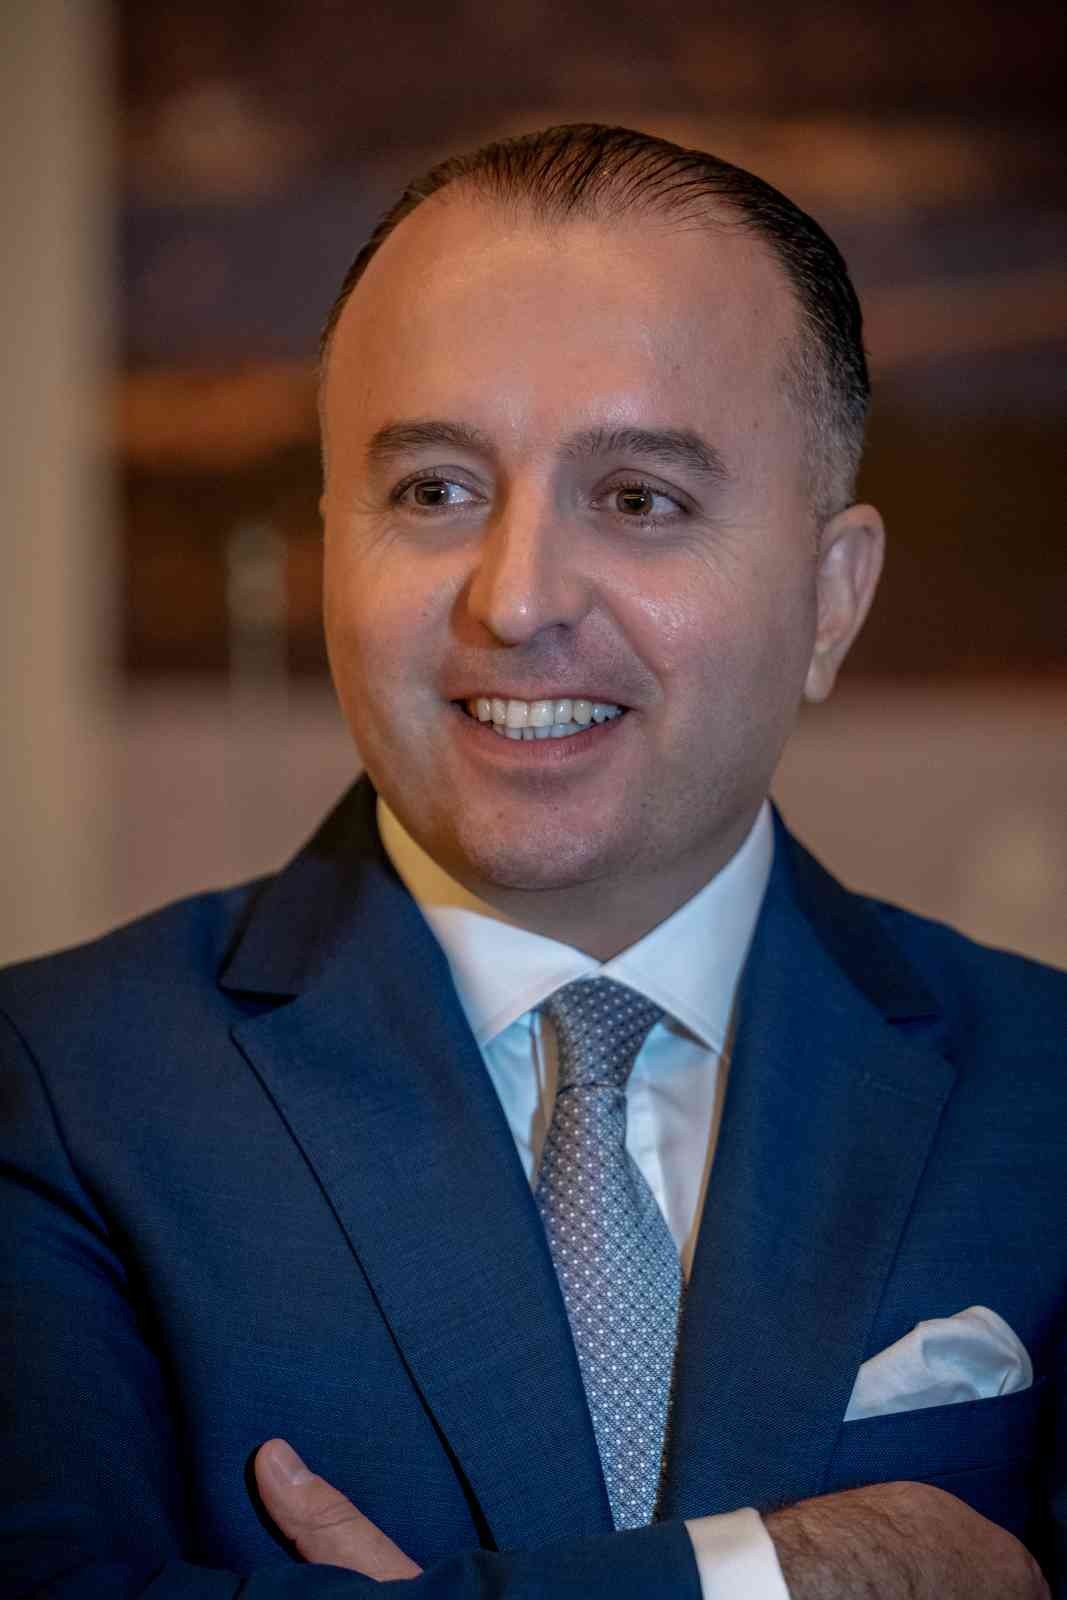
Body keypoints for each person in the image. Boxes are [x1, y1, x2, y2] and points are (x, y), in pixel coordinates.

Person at [1, 123, 1062, 1600]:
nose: (515, 600)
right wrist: (778, 1579)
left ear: (832, 599)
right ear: (332, 543)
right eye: (433, 491)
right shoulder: (54, 1088)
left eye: (639, 499)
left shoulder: (1044, 1086)